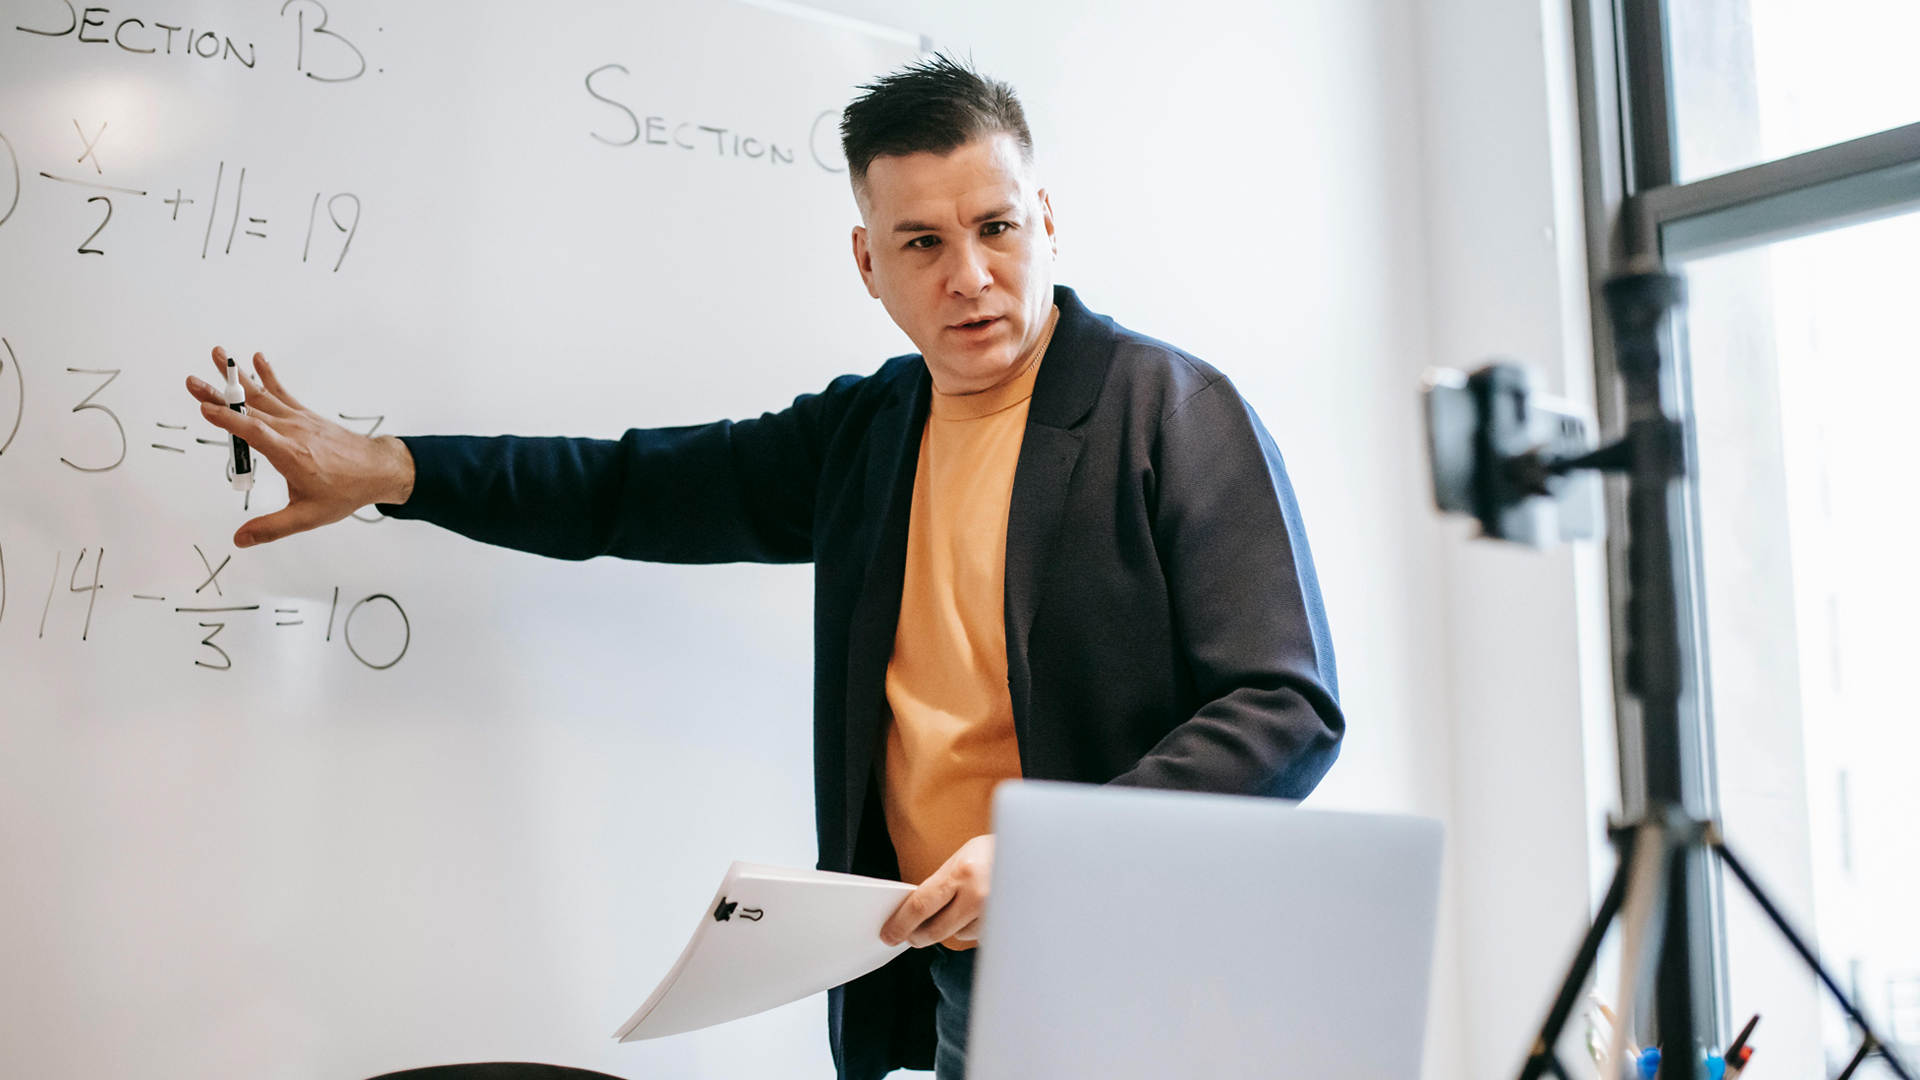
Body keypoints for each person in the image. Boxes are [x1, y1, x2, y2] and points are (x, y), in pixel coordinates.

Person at [185, 56, 1343, 1080]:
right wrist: (393, 468)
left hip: (1142, 977)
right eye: (923, 243)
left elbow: (1285, 707)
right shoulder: (870, 434)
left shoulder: (1170, 410)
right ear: (867, 263)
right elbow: (627, 487)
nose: (971, 276)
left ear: (1046, 217)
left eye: (996, 227)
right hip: (955, 964)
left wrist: (1056, 856)